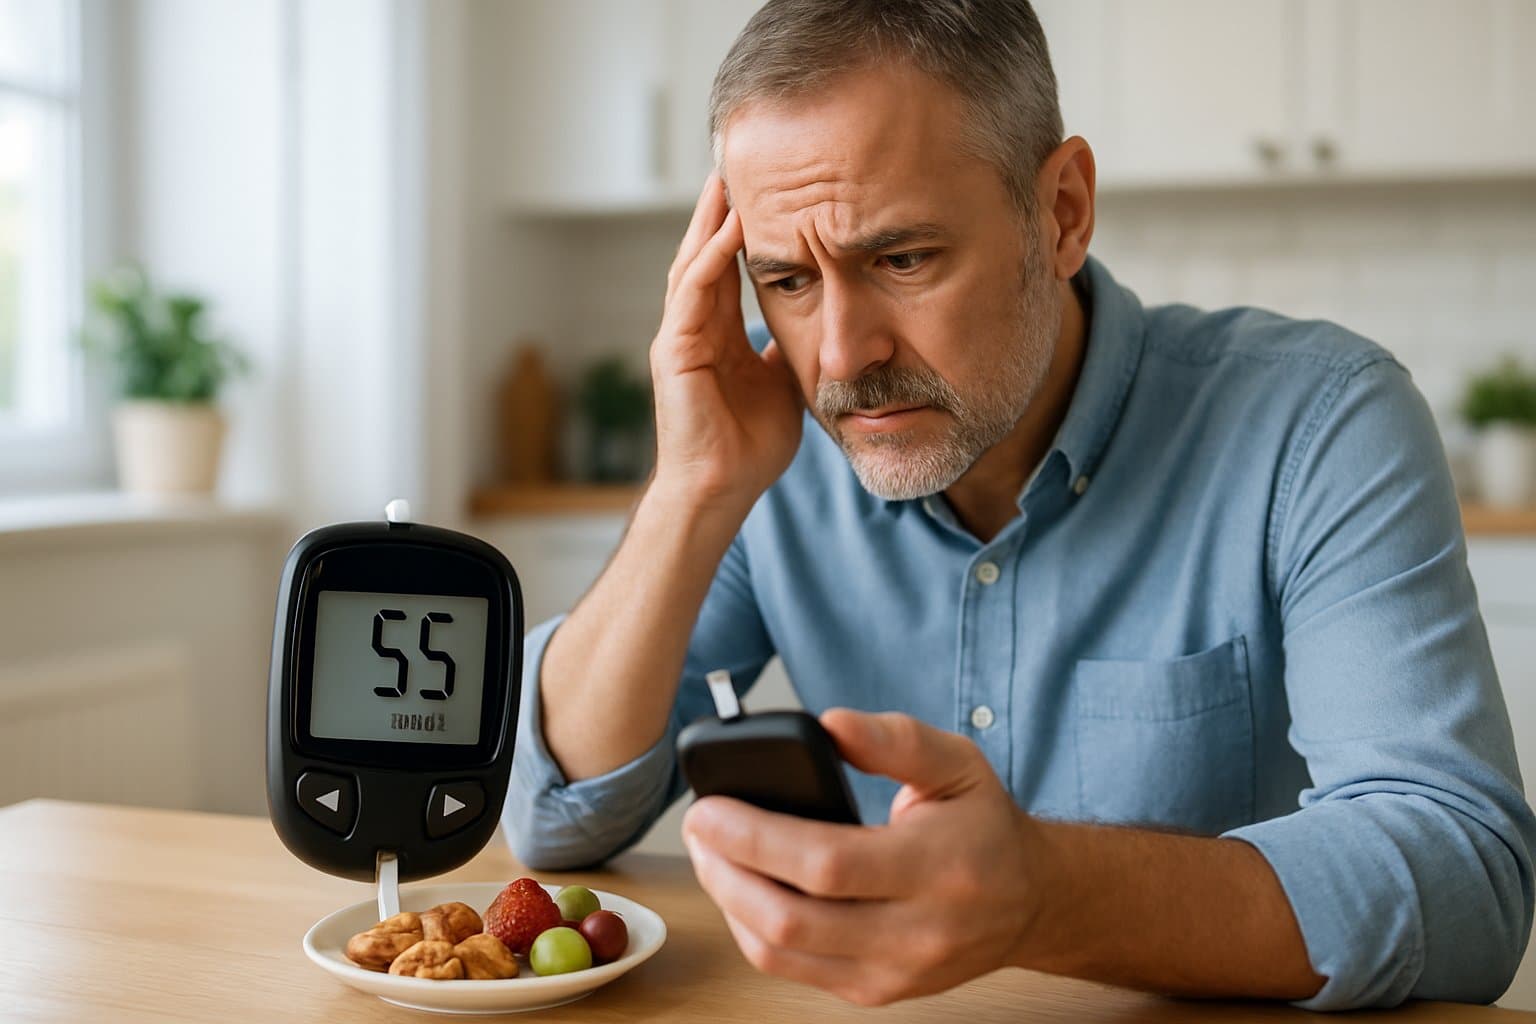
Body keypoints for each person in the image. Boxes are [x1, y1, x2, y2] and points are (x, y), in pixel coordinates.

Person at [501, 0, 1535, 1011]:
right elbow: (552, 815)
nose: (842, 356)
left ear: (1063, 213)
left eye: (902, 259)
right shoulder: (771, 453)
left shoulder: (1318, 423)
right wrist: (692, 490)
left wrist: (1044, 894)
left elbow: (1463, 874)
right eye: (787, 281)